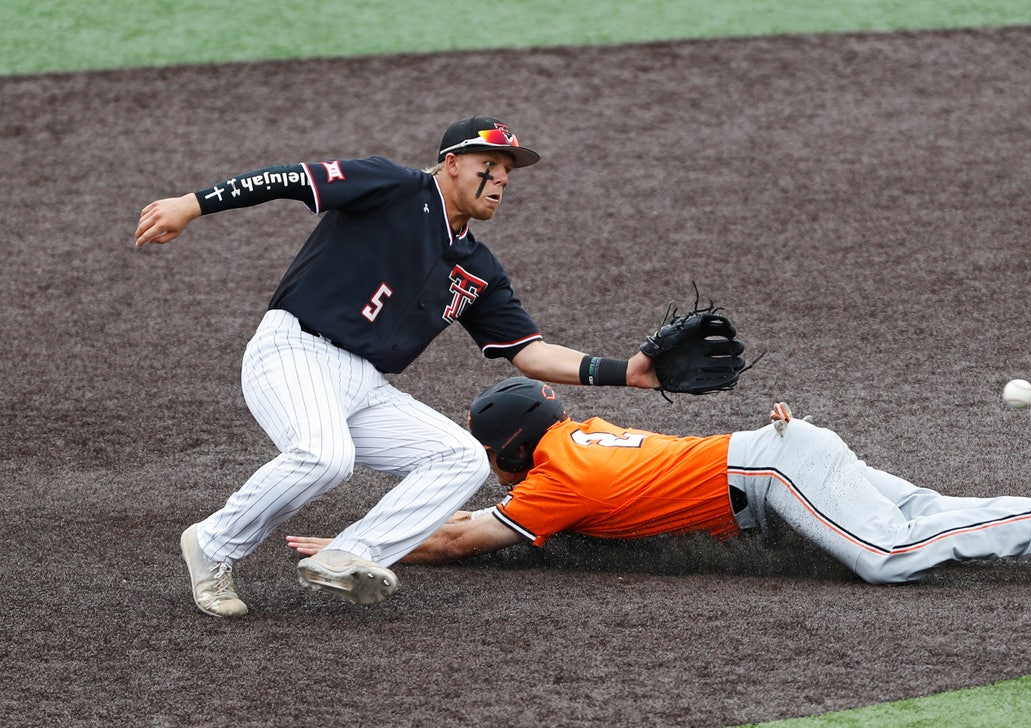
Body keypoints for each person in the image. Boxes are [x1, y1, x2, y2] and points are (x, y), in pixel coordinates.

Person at [135, 116, 662, 618]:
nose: (502, 178)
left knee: (460, 458)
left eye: (508, 170)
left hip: (364, 382)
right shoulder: (393, 186)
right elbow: (290, 178)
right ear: (453, 162)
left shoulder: (477, 266)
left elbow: (529, 354)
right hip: (294, 350)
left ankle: (349, 554)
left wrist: (629, 372)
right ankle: (211, 544)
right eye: (491, 163)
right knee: (325, 457)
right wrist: (192, 204)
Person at [288, 377, 1031, 586]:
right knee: (917, 512)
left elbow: (454, 536)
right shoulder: (588, 432)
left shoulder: (552, 483)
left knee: (886, 556)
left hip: (767, 469)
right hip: (783, 449)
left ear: (508, 455)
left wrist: (352, 547)